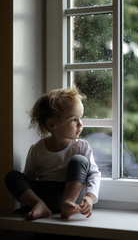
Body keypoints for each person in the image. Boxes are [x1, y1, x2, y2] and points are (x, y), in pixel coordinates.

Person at [5, 85, 101, 220]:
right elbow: (29, 179)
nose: (80, 124)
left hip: (72, 195)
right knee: (12, 176)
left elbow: (93, 174)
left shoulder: (81, 146)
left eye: (81, 118)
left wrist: (89, 197)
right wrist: (29, 201)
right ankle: (38, 204)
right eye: (74, 119)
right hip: (46, 197)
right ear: (52, 125)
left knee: (80, 160)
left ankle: (67, 204)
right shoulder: (37, 149)